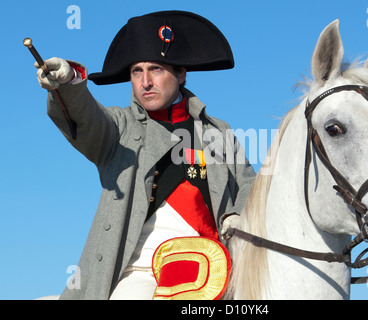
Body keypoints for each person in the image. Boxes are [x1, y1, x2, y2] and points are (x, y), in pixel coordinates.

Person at [35, 11, 255, 300]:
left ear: (181, 73)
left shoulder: (219, 132)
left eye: (156, 69)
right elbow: (86, 116)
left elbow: (250, 188)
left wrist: (237, 215)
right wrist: (70, 82)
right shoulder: (118, 127)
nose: (145, 81)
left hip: (214, 269)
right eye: (137, 71)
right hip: (142, 274)